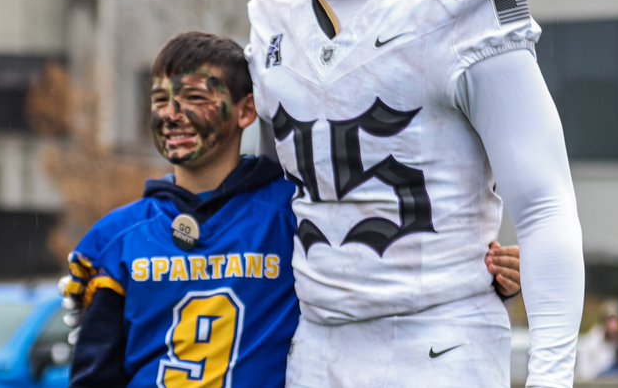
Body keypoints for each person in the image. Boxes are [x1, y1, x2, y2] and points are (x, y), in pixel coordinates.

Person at [247, 0, 583, 386]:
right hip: (314, 347)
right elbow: (266, 194)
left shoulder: (463, 3)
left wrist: (551, 376)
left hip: (439, 342)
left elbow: (543, 204)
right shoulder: (270, 17)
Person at [61, 31, 523, 387]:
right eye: (160, 100)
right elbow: (95, 376)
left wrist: (485, 279)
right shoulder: (115, 239)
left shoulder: (299, 212)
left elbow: (387, 292)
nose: (171, 114)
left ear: (246, 111)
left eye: (195, 98)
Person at [576, 300, 618, 381]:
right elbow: (584, 370)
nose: (613, 324)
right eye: (610, 320)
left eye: (615, 320)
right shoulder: (593, 338)